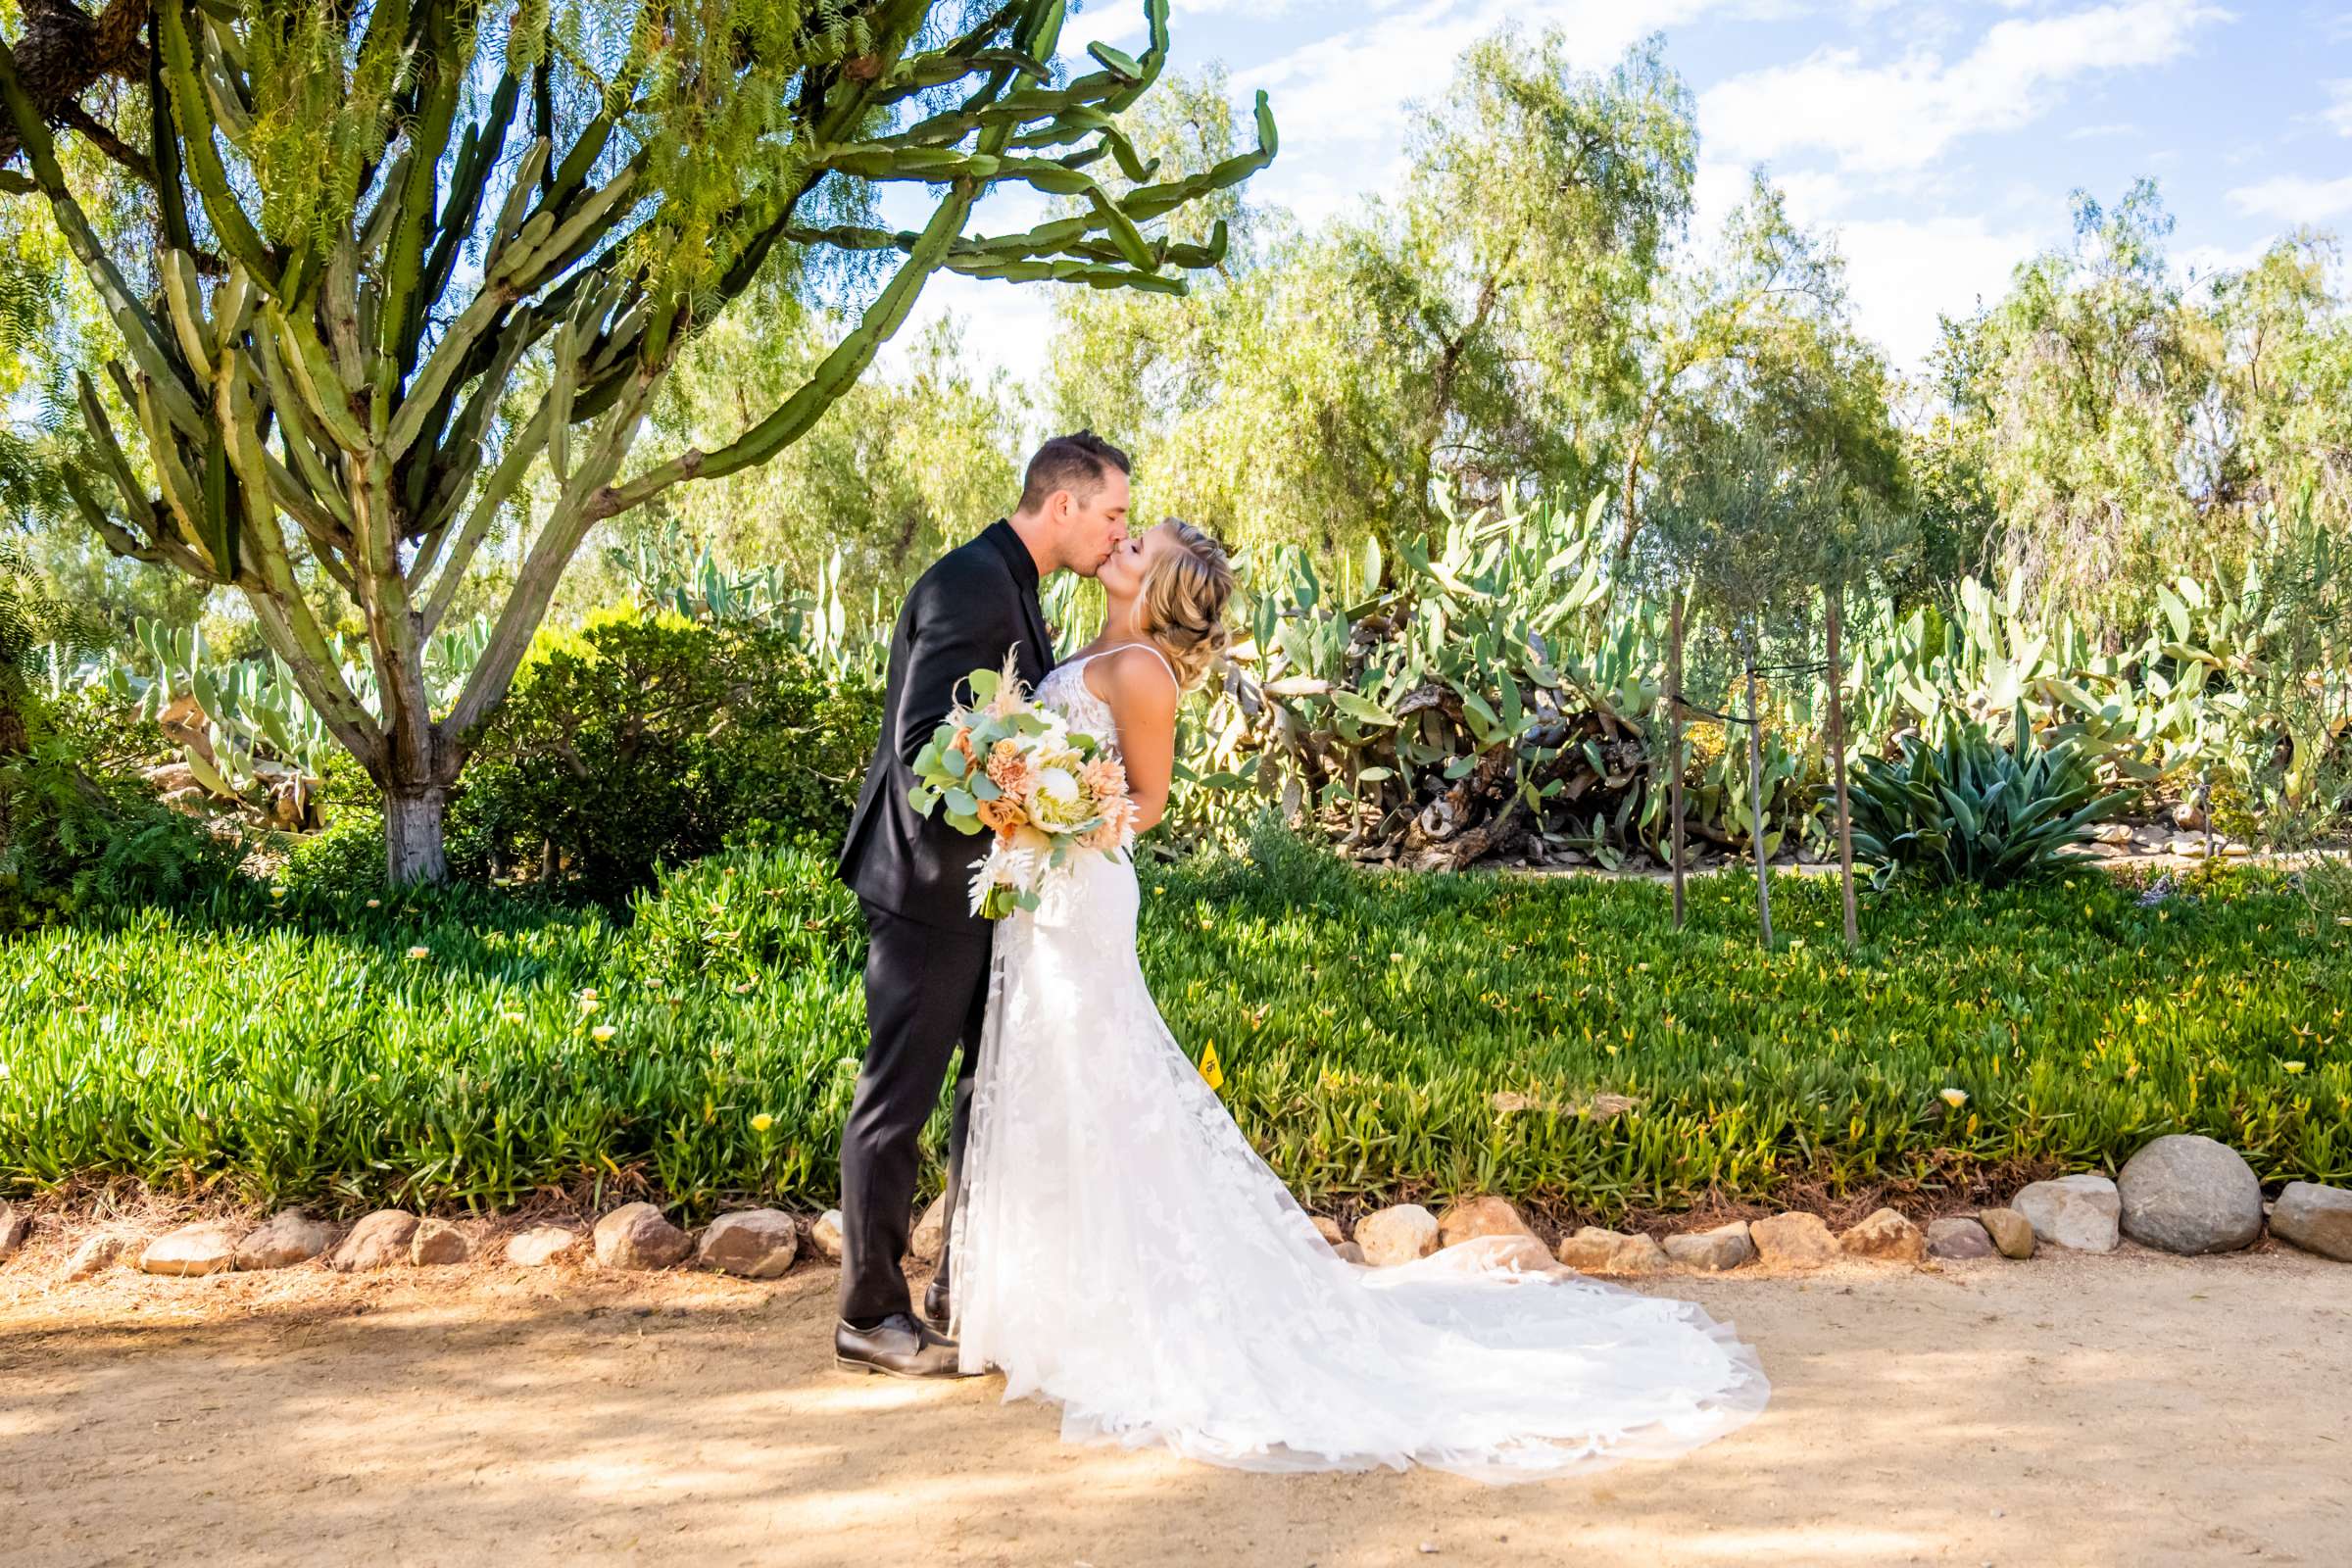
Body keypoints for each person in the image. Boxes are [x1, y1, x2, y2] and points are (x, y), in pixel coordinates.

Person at [945, 518, 1772, 1480]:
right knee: (1046, 1079)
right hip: (1040, 887)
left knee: (1099, 1082)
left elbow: (1152, 803)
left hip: (1083, 886)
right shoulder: (1084, 642)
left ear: (1165, 584)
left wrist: (1048, 808)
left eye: (1145, 541)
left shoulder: (1140, 670)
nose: (1125, 538)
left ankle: (1119, 1317)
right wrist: (1011, 791)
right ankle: (1052, 1308)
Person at [832, 430, 1131, 1378]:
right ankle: (868, 1315)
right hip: (927, 886)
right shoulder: (970, 585)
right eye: (1113, 513)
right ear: (1063, 507)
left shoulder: (1012, 584)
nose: (1118, 531)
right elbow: (931, 742)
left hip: (980, 890)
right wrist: (1043, 793)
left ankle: (965, 1285)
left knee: (984, 1090)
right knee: (899, 1101)